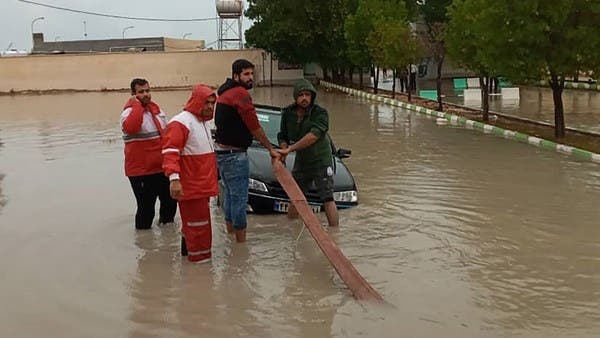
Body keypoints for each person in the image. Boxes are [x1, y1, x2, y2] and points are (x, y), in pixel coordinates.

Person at [214, 59, 279, 243]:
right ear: (236, 76)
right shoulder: (240, 94)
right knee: (240, 199)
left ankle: (230, 236)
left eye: (252, 74)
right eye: (246, 74)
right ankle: (241, 245)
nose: (250, 78)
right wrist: (270, 149)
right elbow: (254, 126)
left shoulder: (225, 92)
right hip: (235, 155)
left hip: (222, 153)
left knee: (229, 195)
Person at [162, 85, 218, 263]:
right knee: (198, 228)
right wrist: (174, 179)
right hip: (191, 187)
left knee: (193, 227)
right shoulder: (181, 122)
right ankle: (200, 271)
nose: (210, 106)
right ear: (196, 101)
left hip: (202, 186)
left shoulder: (202, 122)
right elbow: (170, 152)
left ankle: (189, 259)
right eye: (206, 102)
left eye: (212, 103)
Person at [276, 79, 339, 227]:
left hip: (321, 161)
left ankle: (335, 234)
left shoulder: (320, 113)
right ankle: (292, 230)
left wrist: (289, 149)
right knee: (295, 198)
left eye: (307, 95)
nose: (304, 98)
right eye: (301, 95)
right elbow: (282, 135)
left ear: (312, 97)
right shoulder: (288, 113)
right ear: (295, 96)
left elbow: (313, 136)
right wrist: (283, 149)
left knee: (327, 198)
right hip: (302, 161)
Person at [120, 78, 177, 230]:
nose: (146, 94)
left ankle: (167, 238)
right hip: (141, 171)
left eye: (147, 91)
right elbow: (132, 127)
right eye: (141, 92)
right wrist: (136, 105)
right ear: (133, 94)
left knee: (170, 202)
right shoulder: (127, 114)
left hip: (161, 168)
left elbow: (168, 137)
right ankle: (144, 243)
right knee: (146, 208)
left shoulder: (157, 111)